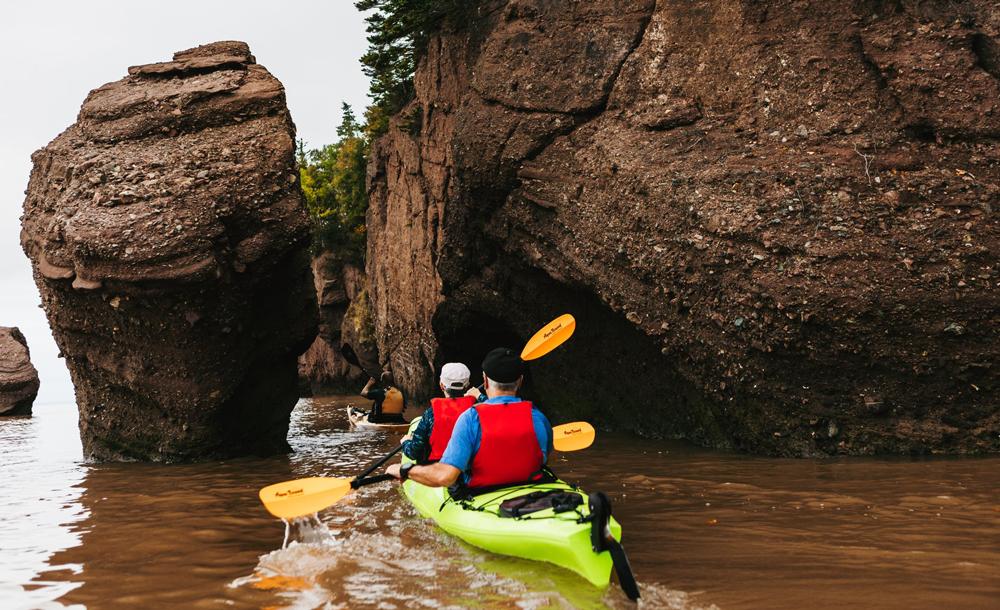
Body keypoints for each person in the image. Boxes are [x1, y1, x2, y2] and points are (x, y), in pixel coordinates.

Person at [387, 347, 553, 490]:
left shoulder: (470, 419)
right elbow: (542, 457)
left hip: (481, 492)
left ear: (485, 380)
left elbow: (446, 476)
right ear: (521, 381)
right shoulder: (538, 417)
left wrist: (404, 470)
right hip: (528, 487)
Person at [402, 362, 476, 463]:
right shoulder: (478, 410)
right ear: (467, 386)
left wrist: (406, 442)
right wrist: (479, 396)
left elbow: (413, 453)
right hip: (469, 468)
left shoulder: (430, 414)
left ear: (442, 385)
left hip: (438, 470)